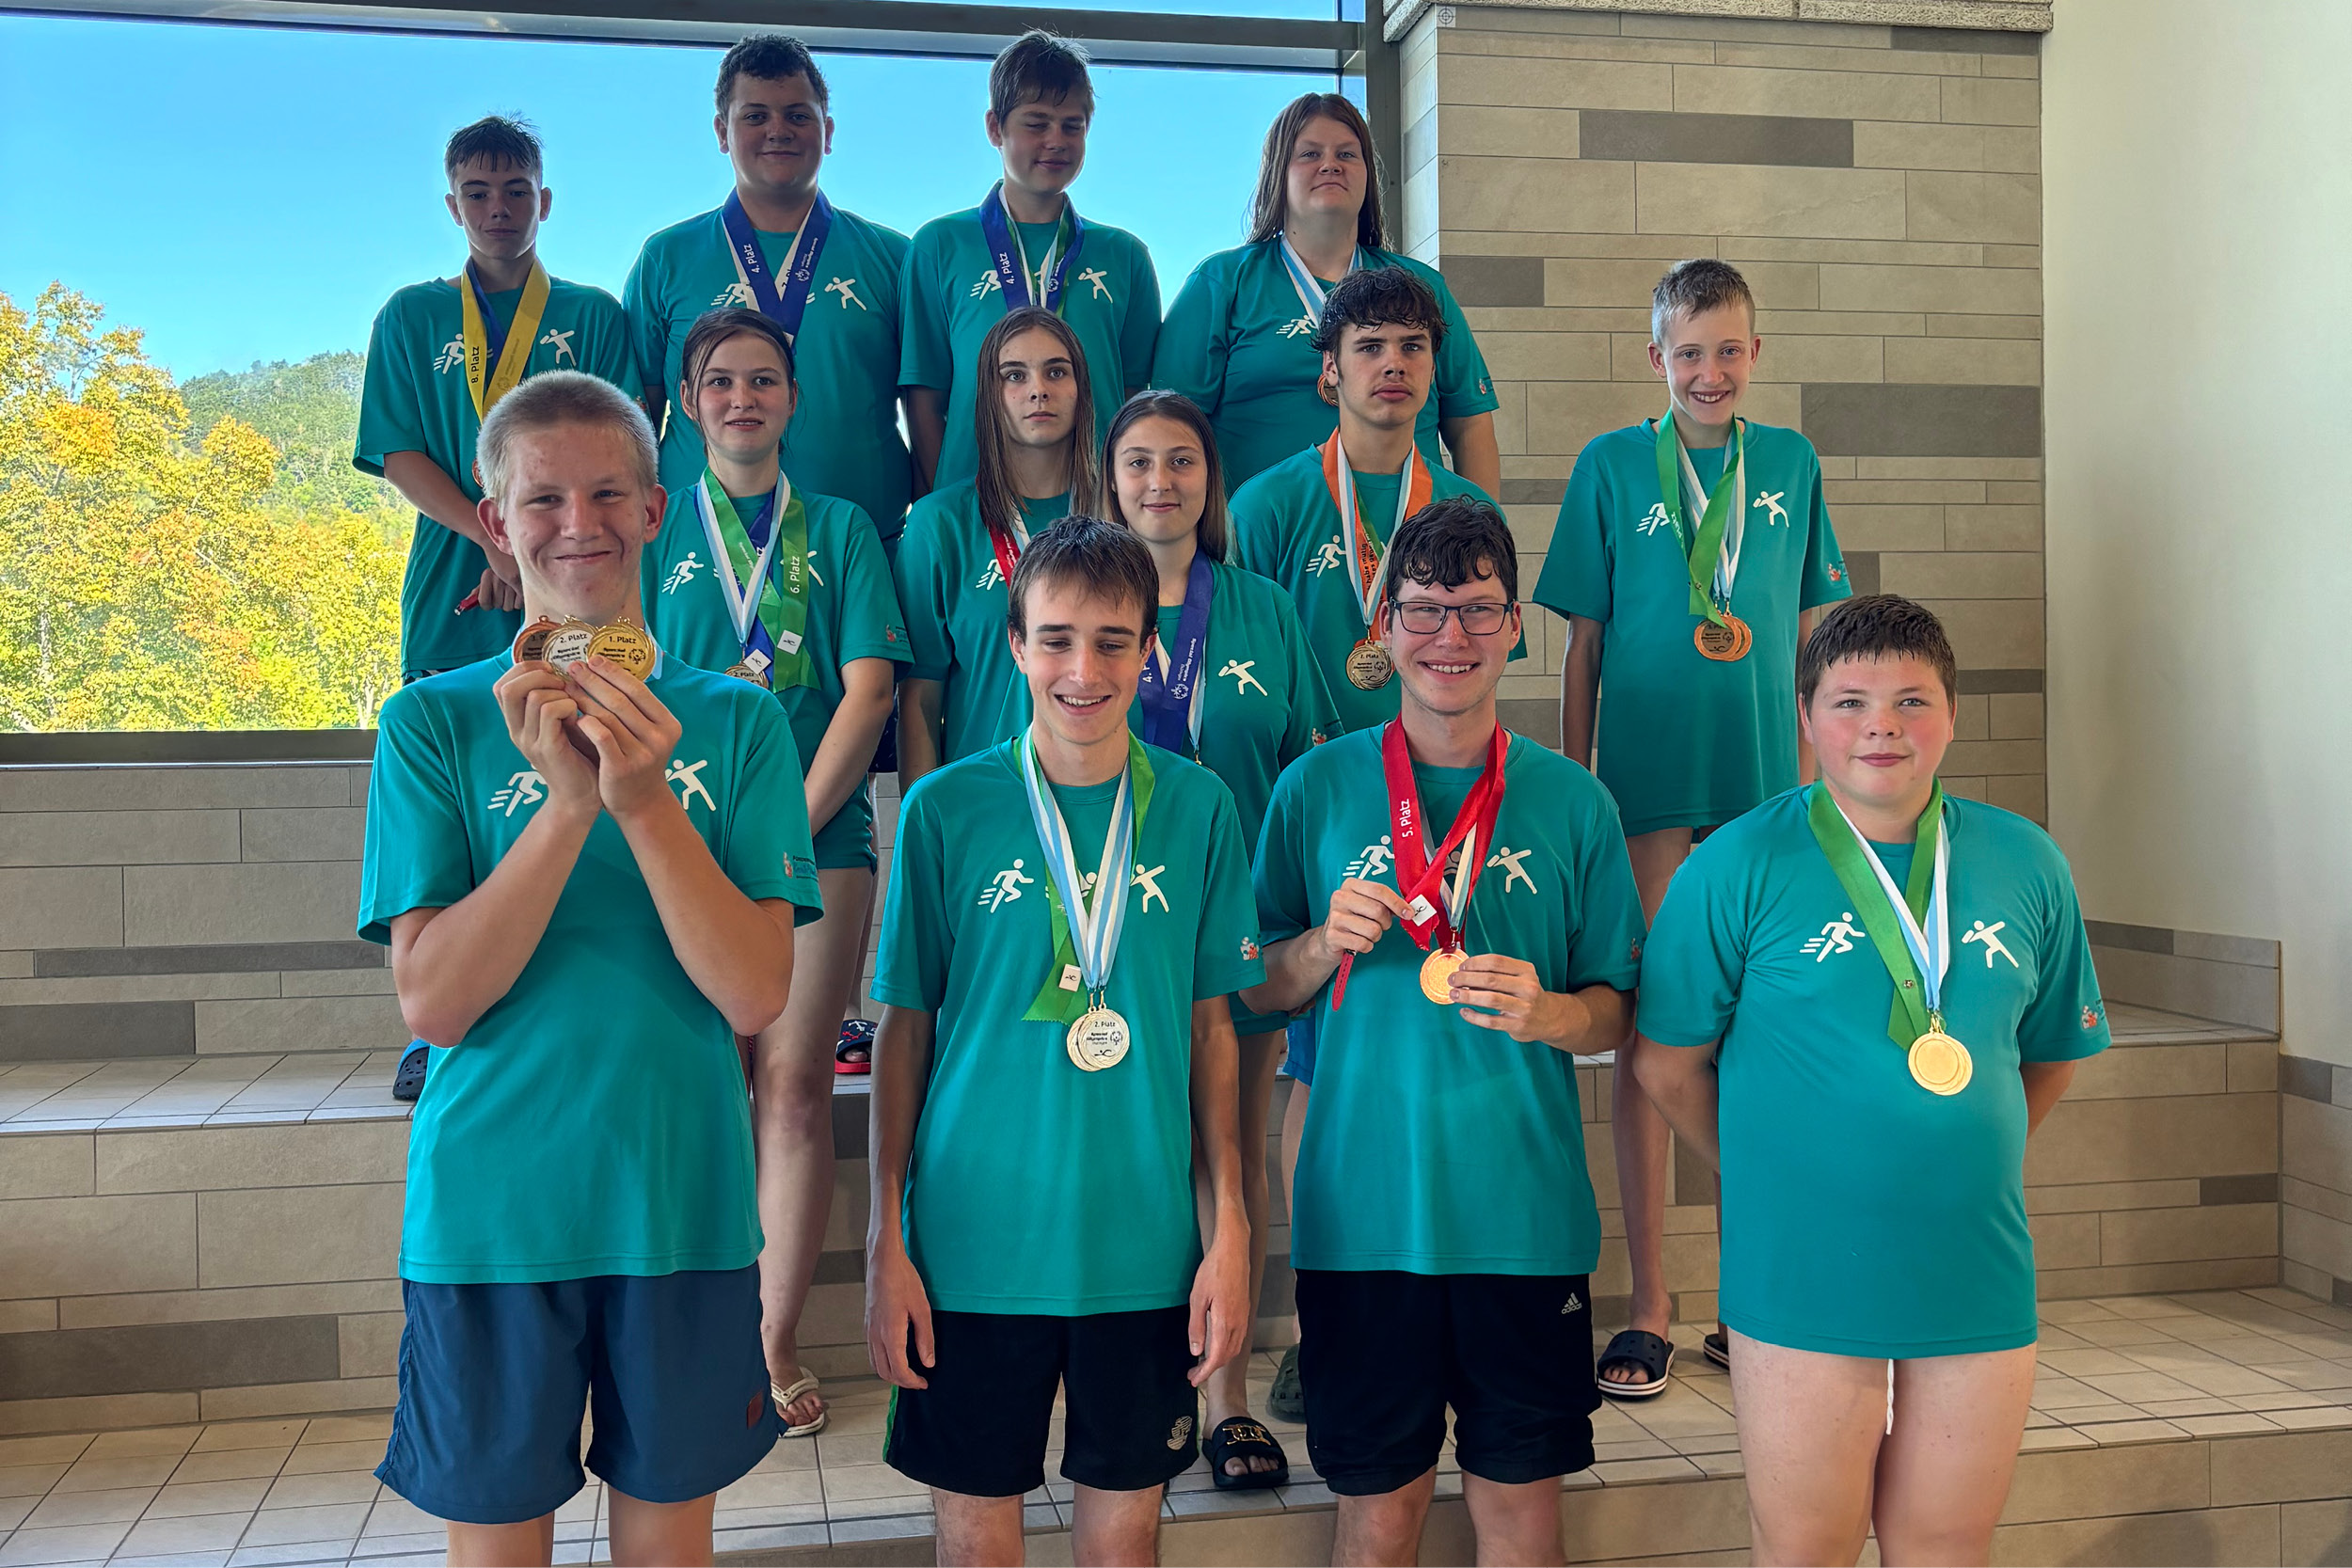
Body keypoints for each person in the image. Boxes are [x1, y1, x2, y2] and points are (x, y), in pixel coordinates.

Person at [358, 371, 821, 1567]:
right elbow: (434, 1000)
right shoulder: (431, 723)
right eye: (544, 498)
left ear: (655, 509)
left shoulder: (738, 722)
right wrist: (566, 807)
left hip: (680, 1205)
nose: (580, 523)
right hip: (491, 1216)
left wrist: (643, 800)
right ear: (494, 519)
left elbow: (754, 992)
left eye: (609, 492)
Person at [1632, 594, 2107, 1566]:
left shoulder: (2025, 859)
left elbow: (2052, 1050)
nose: (1881, 726)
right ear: (1805, 717)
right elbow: (1665, 1064)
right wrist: (1767, 1171)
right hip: (1801, 1262)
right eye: (1849, 701)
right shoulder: (1735, 864)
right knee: (1807, 1545)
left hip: (1972, 1258)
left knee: (1947, 1544)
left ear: (1952, 714)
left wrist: (1967, 1153)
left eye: (1911, 701)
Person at [1246, 497, 1643, 1568]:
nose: (1450, 635)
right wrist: (1317, 944)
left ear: (1515, 627)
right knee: (1378, 1524)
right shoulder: (1313, 788)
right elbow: (1256, 988)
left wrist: (1553, 1013)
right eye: (1423, 609)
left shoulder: (1574, 802)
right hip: (1362, 1230)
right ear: (1383, 626)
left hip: (1524, 1225)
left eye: (1477, 609)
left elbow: (1615, 1004)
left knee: (1522, 1524)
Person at [864, 517, 1262, 1567]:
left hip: (1143, 1249)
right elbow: (904, 1032)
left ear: (1148, 647)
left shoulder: (1201, 806)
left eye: (1112, 641)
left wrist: (1227, 1225)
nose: (1083, 670)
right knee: (976, 1549)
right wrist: (884, 1237)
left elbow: (1212, 1032)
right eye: (1055, 639)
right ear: (1014, 643)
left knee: (1123, 1549)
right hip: (970, 1249)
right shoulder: (943, 810)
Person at [1531, 257, 1852, 1400]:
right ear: (1654, 357)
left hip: (1765, 789)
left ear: (1754, 354)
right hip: (1645, 788)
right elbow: (1583, 645)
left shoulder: (1791, 462)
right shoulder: (1611, 464)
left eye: (1727, 350)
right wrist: (1580, 790)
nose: (1708, 371)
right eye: (1687, 352)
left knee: (1757, 1040)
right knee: (1652, 1037)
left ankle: (1745, 1298)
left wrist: (1817, 793)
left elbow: (1813, 639)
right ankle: (1649, 1304)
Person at [639, 307, 907, 1440]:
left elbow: (870, 690)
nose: (741, 398)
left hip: (818, 841)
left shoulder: (840, 528)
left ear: (794, 399)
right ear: (686, 404)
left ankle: (770, 1338)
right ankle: (675, 1334)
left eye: (762, 380)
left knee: (794, 1086)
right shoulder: (651, 526)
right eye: (719, 382)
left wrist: (780, 832)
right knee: (697, 1082)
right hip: (673, 843)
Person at [357, 114, 637, 1101]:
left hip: (571, 563)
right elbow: (396, 451)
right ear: (452, 205)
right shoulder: (410, 316)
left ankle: (582, 989)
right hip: (456, 573)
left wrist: (535, 540)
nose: (499, 209)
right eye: (478, 193)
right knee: (450, 788)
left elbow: (617, 446)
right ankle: (431, 1019)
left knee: (582, 754)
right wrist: (491, 539)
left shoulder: (594, 314)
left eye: (516, 190)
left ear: (543, 199)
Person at [1100, 389, 1339, 1490]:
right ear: (1109, 480)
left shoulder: (1263, 608)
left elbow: (1308, 772)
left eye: (1182, 460)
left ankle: (1226, 1395)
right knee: (1127, 1154)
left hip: (1236, 930)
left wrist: (1309, 924)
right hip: (1106, 930)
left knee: (1228, 1157)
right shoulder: (1078, 604)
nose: (1161, 482)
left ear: (1212, 477)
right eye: (1139, 462)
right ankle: (1120, 1376)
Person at [623, 35, 916, 544]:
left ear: (827, 131)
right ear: (722, 131)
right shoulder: (666, 258)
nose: (778, 131)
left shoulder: (894, 258)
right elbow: (634, 419)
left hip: (859, 546)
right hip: (697, 545)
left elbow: (926, 405)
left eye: (797, 115)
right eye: (755, 116)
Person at [1153, 91, 1500, 495]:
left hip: (1414, 529)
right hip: (1261, 531)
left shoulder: (1422, 287)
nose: (1331, 165)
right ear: (1277, 174)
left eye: (1347, 154)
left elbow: (1469, 423)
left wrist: (1484, 526)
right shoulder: (1222, 282)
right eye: (1310, 154)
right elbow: (1167, 429)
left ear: (1368, 175)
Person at [899, 30, 1159, 494]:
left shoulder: (1125, 256)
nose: (1056, 140)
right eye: (1037, 124)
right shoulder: (939, 246)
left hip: (1095, 505)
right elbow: (924, 396)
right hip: (975, 506)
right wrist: (948, 501)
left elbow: (1133, 397)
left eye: (1072, 126)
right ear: (994, 128)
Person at [894, 307, 1101, 784]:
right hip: (982, 803)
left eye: (1056, 371)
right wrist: (921, 818)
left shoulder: (1120, 514)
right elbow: (920, 699)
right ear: (988, 395)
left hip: (1110, 800)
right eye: (1014, 375)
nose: (1038, 389)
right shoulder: (938, 525)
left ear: (1082, 389)